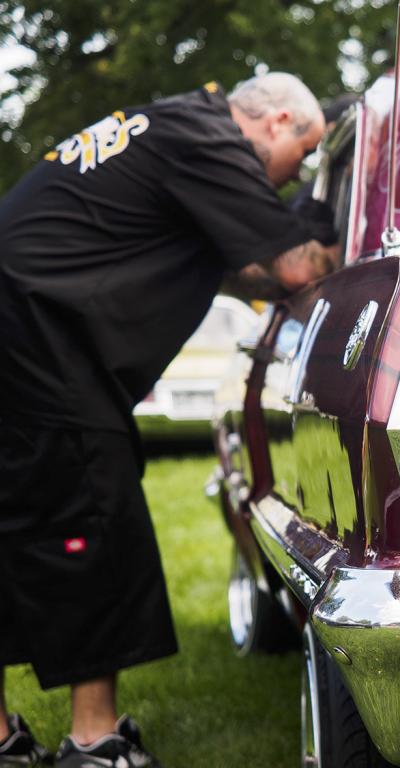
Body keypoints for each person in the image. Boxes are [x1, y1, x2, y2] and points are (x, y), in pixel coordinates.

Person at [0, 72, 338, 767]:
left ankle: (2, 738)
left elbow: (244, 273)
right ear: (276, 122)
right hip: (43, 352)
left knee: (13, 537)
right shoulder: (211, 142)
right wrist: (339, 229)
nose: (292, 176)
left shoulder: (173, 129)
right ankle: (94, 746)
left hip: (20, 340)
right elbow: (298, 268)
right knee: (91, 528)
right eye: (302, 156)